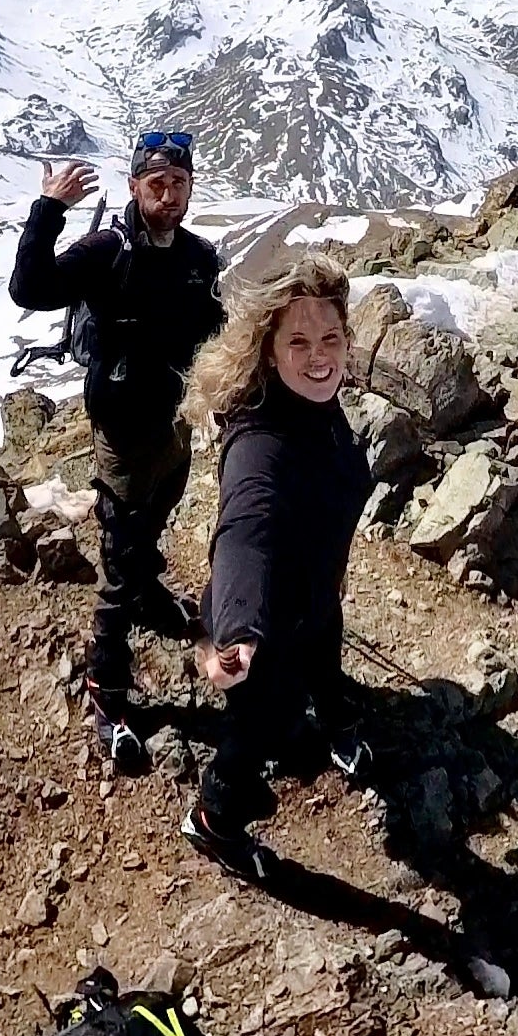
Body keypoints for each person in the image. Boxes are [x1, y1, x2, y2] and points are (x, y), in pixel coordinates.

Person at [10, 127, 225, 769]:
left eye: (179, 183)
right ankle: (108, 691)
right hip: (122, 432)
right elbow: (32, 289)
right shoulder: (109, 250)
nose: (169, 194)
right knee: (119, 560)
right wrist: (49, 210)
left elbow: (213, 332)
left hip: (174, 424)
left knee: (154, 521)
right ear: (134, 186)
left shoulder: (196, 259)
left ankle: (150, 596)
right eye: (156, 182)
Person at [181, 260, 373, 872]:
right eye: (298, 341)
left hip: (313, 595)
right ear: (268, 350)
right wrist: (237, 630)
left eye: (330, 340)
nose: (319, 356)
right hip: (262, 621)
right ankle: (215, 818)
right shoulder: (261, 441)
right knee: (259, 723)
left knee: (325, 649)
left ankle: (336, 721)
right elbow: (246, 530)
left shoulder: (318, 406)